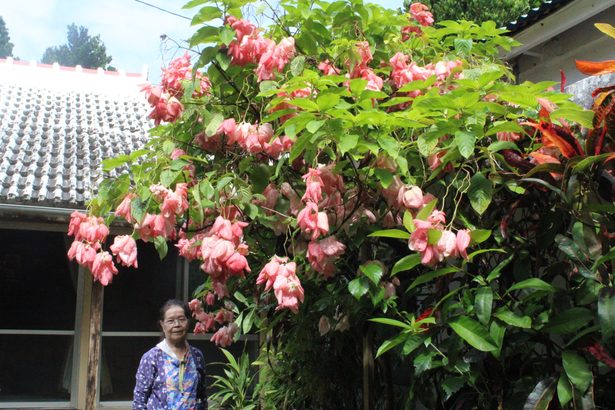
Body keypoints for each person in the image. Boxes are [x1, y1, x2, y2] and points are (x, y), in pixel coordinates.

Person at [133, 299, 208, 409]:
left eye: (182, 319)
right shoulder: (151, 357)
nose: (177, 325)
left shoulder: (196, 356)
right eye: (170, 321)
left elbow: (202, 396)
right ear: (162, 325)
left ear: (188, 322)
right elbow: (139, 401)